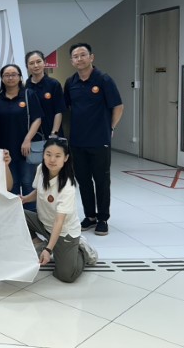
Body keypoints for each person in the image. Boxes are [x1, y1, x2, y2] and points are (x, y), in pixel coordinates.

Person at [64, 43, 124, 236]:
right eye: (75, 56)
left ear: (91, 57)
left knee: (101, 180)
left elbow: (118, 106)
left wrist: (111, 127)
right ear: (72, 61)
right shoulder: (70, 82)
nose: (79, 59)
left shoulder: (104, 79)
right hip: (77, 141)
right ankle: (90, 216)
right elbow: (67, 109)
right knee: (83, 180)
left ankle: (103, 218)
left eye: (83, 55)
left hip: (99, 140)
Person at [21, 137, 98, 283]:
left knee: (66, 275)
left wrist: (48, 250)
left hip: (64, 232)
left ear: (66, 158)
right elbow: (39, 192)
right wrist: (24, 199)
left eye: (57, 156)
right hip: (44, 223)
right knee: (16, 213)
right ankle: (40, 244)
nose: (52, 160)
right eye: (48, 154)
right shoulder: (41, 169)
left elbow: (59, 221)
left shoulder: (67, 186)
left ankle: (82, 250)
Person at [0, 64, 43, 208]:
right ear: (2, 78)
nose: (10, 77)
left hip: (26, 148)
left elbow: (37, 119)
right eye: (7, 75)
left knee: (28, 183)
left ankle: (30, 216)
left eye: (14, 74)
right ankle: (15, 216)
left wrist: (27, 140)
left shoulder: (28, 95)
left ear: (20, 77)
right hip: (6, 149)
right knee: (12, 185)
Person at [25, 50, 66, 138]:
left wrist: (54, 133)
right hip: (32, 135)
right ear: (27, 66)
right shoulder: (25, 87)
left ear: (44, 63)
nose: (36, 65)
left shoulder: (54, 84)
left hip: (52, 132)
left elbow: (58, 111)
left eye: (38, 61)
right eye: (31, 63)